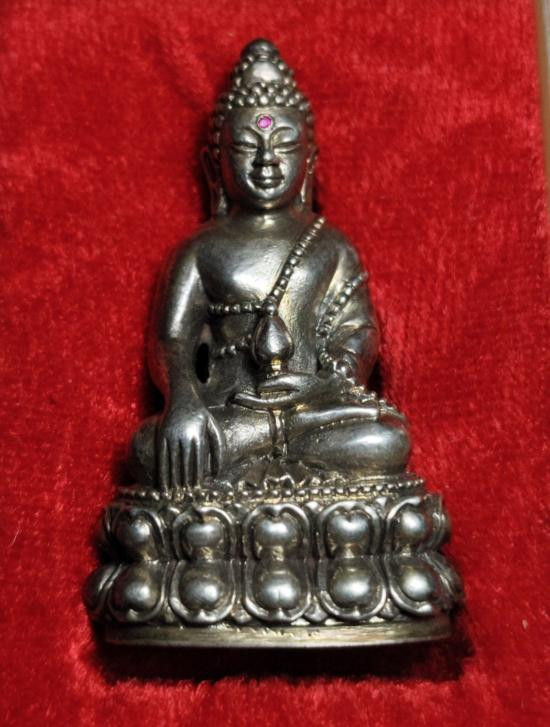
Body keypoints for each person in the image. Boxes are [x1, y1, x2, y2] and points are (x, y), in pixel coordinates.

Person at [130, 39, 410, 496]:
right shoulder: (199, 250)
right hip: (229, 414)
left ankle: (265, 456)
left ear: (309, 161)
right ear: (214, 165)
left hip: (312, 410)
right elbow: (171, 340)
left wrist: (332, 375)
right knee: (150, 449)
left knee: (385, 440)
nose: (266, 161)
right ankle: (275, 459)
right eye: (247, 146)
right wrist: (182, 400)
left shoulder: (331, 246)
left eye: (284, 144)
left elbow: (357, 329)